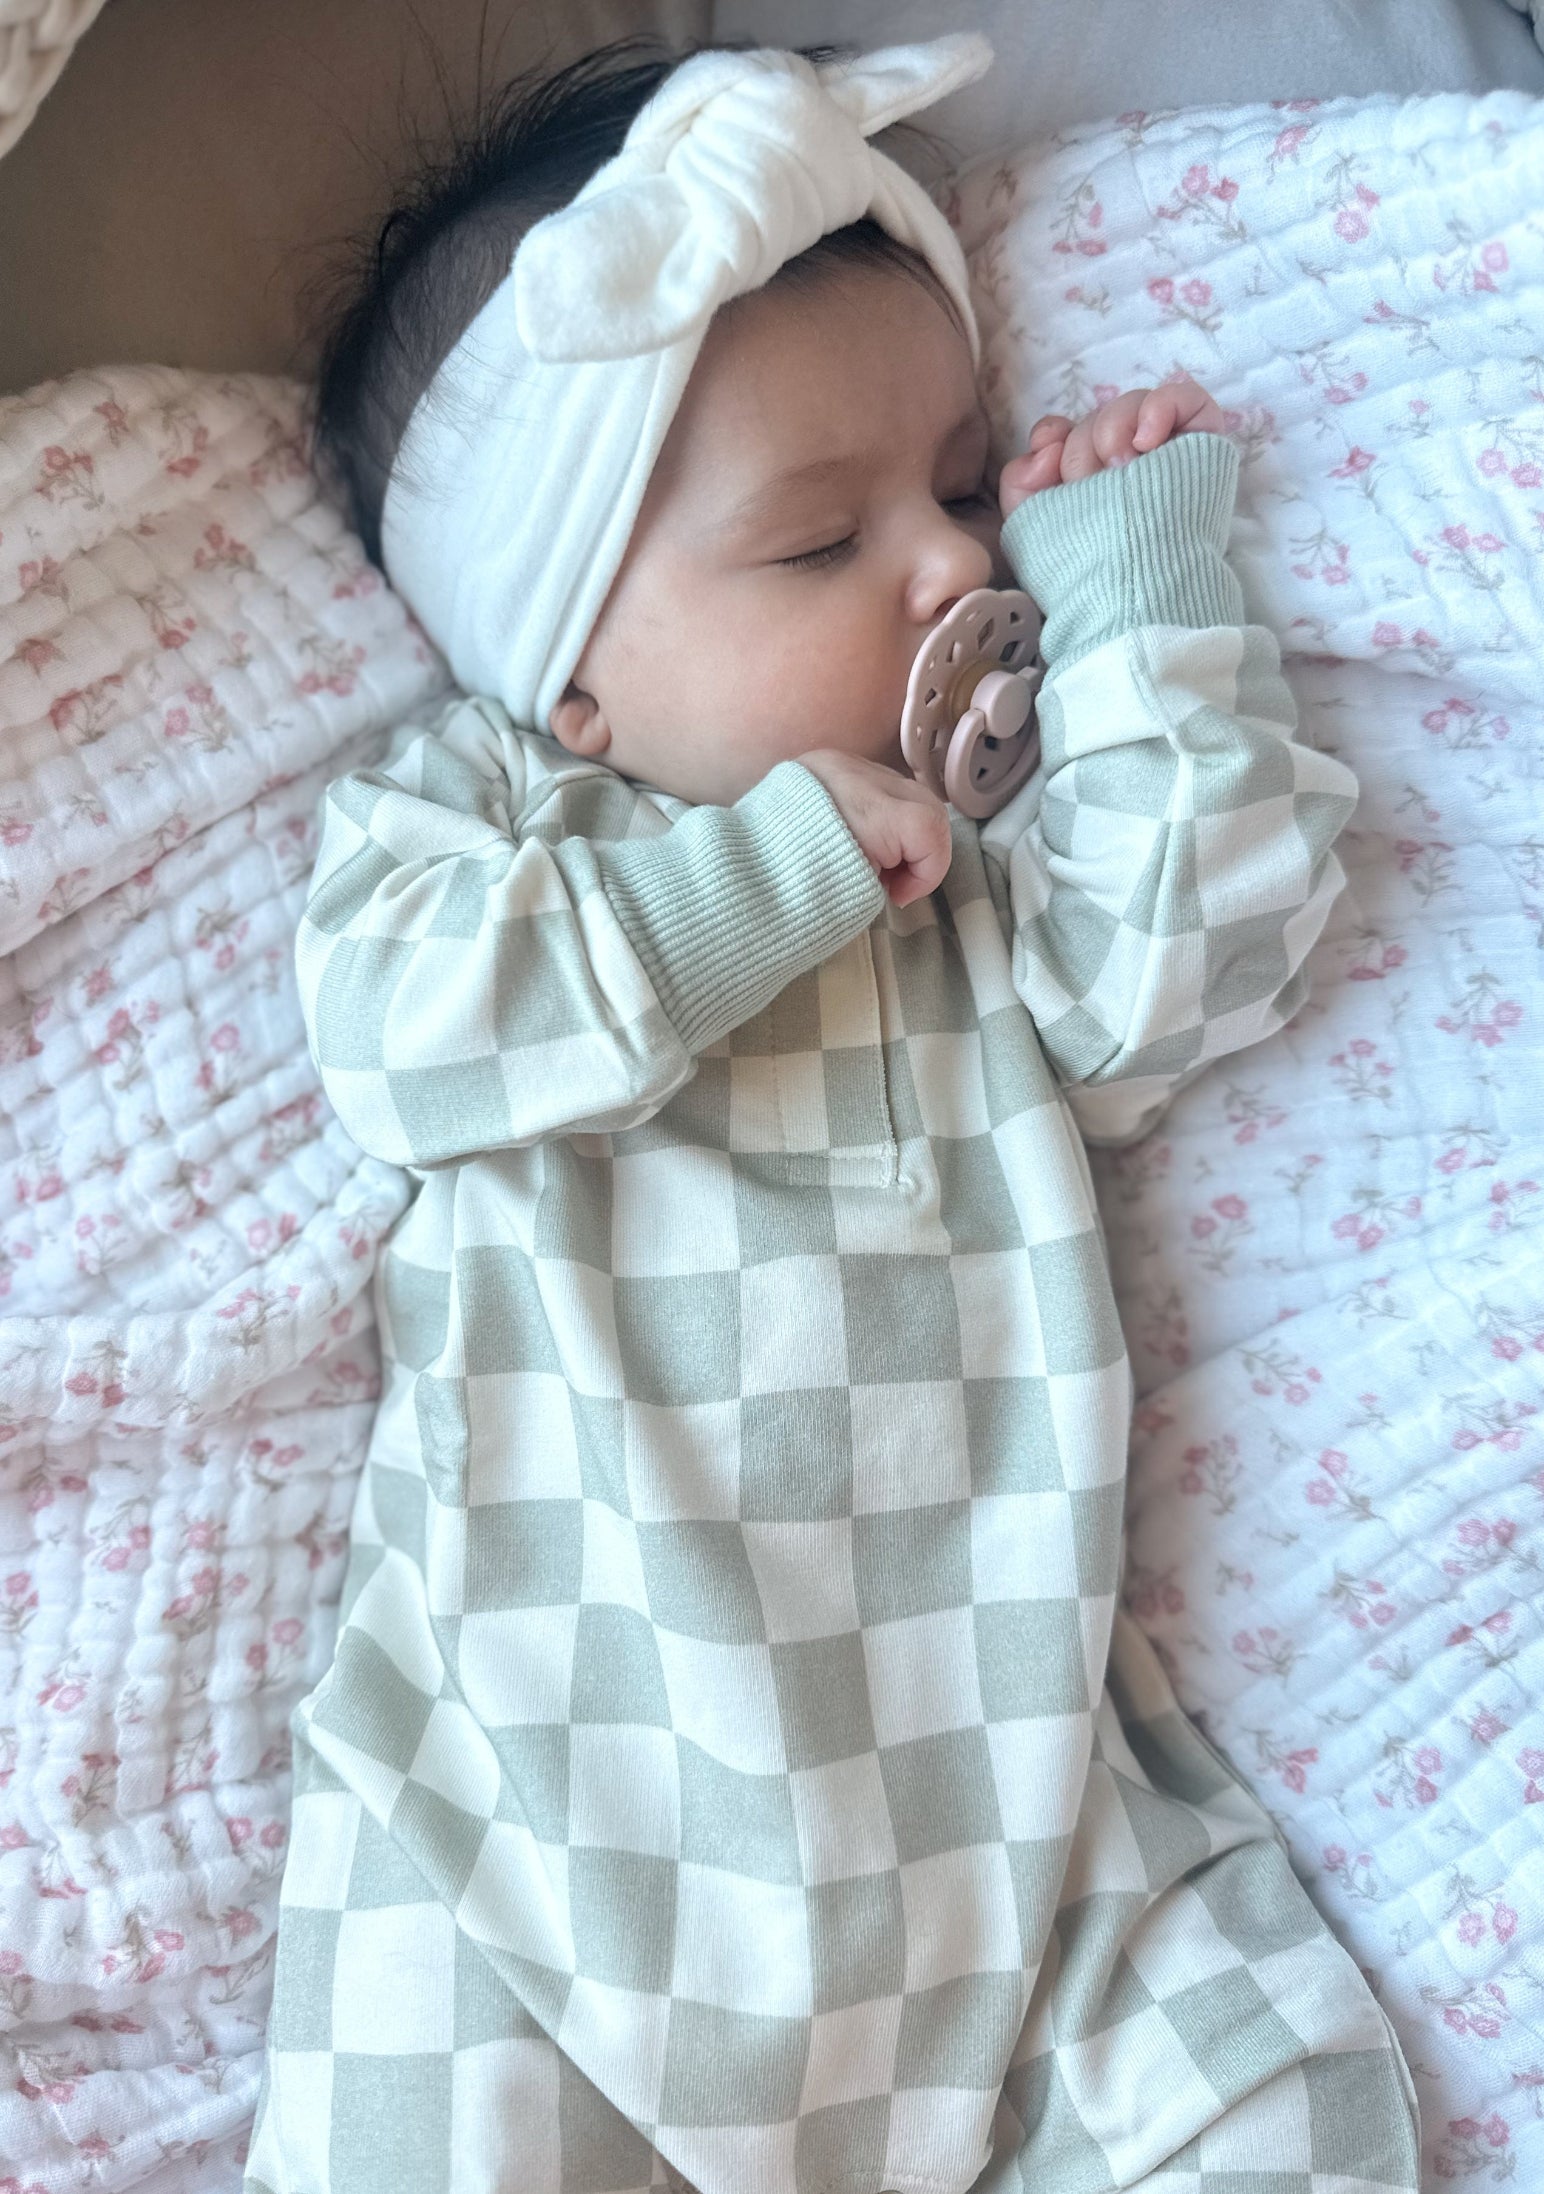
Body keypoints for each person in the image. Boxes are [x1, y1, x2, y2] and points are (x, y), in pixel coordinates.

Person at [244, 33, 1418, 2194]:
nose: (942, 569)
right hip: (537, 1833)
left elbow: (1188, 964)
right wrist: (758, 878)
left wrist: (1146, 599)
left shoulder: (979, 885)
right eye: (816, 544)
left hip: (1014, 1814)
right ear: (566, 666)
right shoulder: (484, 820)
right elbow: (402, 1032)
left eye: (963, 485)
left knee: (1283, 2088)